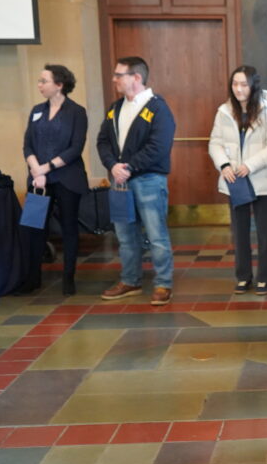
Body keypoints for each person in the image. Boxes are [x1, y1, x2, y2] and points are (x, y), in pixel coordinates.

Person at [96, 56, 177, 306]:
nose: (114, 79)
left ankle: (163, 283)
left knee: (156, 235)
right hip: (121, 182)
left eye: (119, 75)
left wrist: (129, 166)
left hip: (149, 181)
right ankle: (130, 280)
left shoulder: (158, 108)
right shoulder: (115, 108)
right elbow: (103, 141)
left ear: (136, 78)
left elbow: (159, 147)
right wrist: (113, 165)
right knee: (125, 235)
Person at [208, 66, 267, 296]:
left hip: (261, 179)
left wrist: (249, 165)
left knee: (264, 233)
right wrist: (224, 165)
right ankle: (243, 277)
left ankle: (264, 278)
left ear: (253, 86)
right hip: (235, 181)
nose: (239, 89)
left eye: (244, 84)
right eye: (235, 84)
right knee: (239, 232)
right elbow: (215, 143)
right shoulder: (224, 112)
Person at [19, 64, 88, 296]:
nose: (39, 85)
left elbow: (75, 148)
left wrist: (45, 168)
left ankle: (68, 277)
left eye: (43, 81)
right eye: (39, 81)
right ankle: (31, 278)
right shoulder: (36, 110)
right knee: (32, 227)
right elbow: (27, 144)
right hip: (38, 181)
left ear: (59, 85)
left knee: (69, 228)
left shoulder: (77, 112)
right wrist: (35, 169)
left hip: (67, 178)